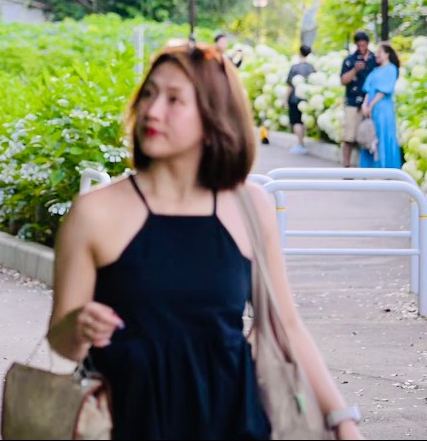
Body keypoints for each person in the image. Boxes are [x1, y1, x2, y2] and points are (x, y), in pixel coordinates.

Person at [46, 40, 364, 440]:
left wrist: (343, 421)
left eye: (175, 100)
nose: (153, 110)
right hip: (126, 421)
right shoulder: (94, 212)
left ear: (213, 117)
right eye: (149, 94)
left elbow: (285, 327)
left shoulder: (251, 206)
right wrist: (78, 327)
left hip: (234, 420)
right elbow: (62, 342)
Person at [360, 42, 402, 170]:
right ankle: (371, 169)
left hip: (383, 108)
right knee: (371, 135)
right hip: (372, 109)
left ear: (387, 54)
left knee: (383, 135)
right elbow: (368, 89)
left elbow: (384, 91)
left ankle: (385, 168)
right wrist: (364, 105)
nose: (377, 54)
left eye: (380, 52)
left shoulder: (391, 69)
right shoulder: (375, 71)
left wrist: (371, 105)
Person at [339, 31, 377, 168]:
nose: (361, 48)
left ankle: (366, 168)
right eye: (359, 45)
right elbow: (343, 80)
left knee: (367, 137)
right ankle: (347, 167)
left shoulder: (375, 59)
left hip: (370, 103)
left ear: (368, 43)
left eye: (364, 45)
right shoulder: (350, 60)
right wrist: (355, 70)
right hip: (352, 102)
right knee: (349, 137)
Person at [286, 45, 316, 154]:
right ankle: (302, 143)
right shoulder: (311, 67)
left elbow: (289, 85)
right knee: (303, 121)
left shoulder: (294, 67)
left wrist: (285, 100)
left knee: (296, 121)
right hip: (307, 99)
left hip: (294, 99)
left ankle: (300, 144)